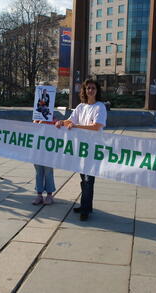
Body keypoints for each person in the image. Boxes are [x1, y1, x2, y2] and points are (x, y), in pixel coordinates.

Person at [55, 79, 107, 221]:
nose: (90, 90)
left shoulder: (100, 107)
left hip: (93, 148)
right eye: (88, 88)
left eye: (93, 88)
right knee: (83, 179)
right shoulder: (81, 107)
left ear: (97, 91)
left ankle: (85, 209)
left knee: (88, 179)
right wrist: (61, 122)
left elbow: (96, 126)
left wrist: (77, 126)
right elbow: (71, 120)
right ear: (84, 90)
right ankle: (86, 205)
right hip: (81, 148)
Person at [32, 119, 56, 205]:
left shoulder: (54, 119)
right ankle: (39, 195)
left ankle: (49, 195)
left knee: (48, 172)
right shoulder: (36, 118)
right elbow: (33, 129)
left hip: (49, 150)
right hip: (38, 149)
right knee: (38, 172)